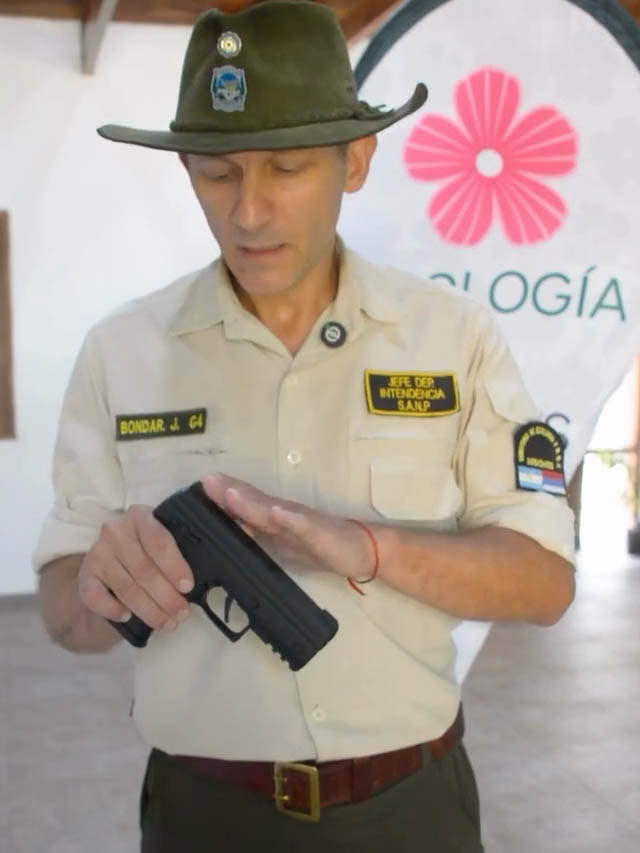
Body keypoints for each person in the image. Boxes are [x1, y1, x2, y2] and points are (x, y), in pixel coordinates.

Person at [34, 2, 576, 851]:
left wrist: (370, 548)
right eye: (218, 173)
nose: (248, 211)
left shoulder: (453, 338)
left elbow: (545, 583)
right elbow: (66, 618)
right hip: (202, 816)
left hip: (409, 811)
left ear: (355, 159)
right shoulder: (121, 353)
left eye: (285, 168)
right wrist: (98, 584)